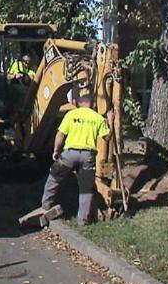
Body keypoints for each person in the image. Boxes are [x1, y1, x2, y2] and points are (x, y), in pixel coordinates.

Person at [20, 88, 110, 227]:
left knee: (54, 176)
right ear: (92, 104)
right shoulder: (98, 118)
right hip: (88, 156)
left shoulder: (71, 115)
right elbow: (107, 137)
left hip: (69, 154)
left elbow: (60, 135)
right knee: (86, 188)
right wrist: (110, 121)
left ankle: (46, 204)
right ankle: (83, 221)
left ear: (78, 103)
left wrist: (56, 151)